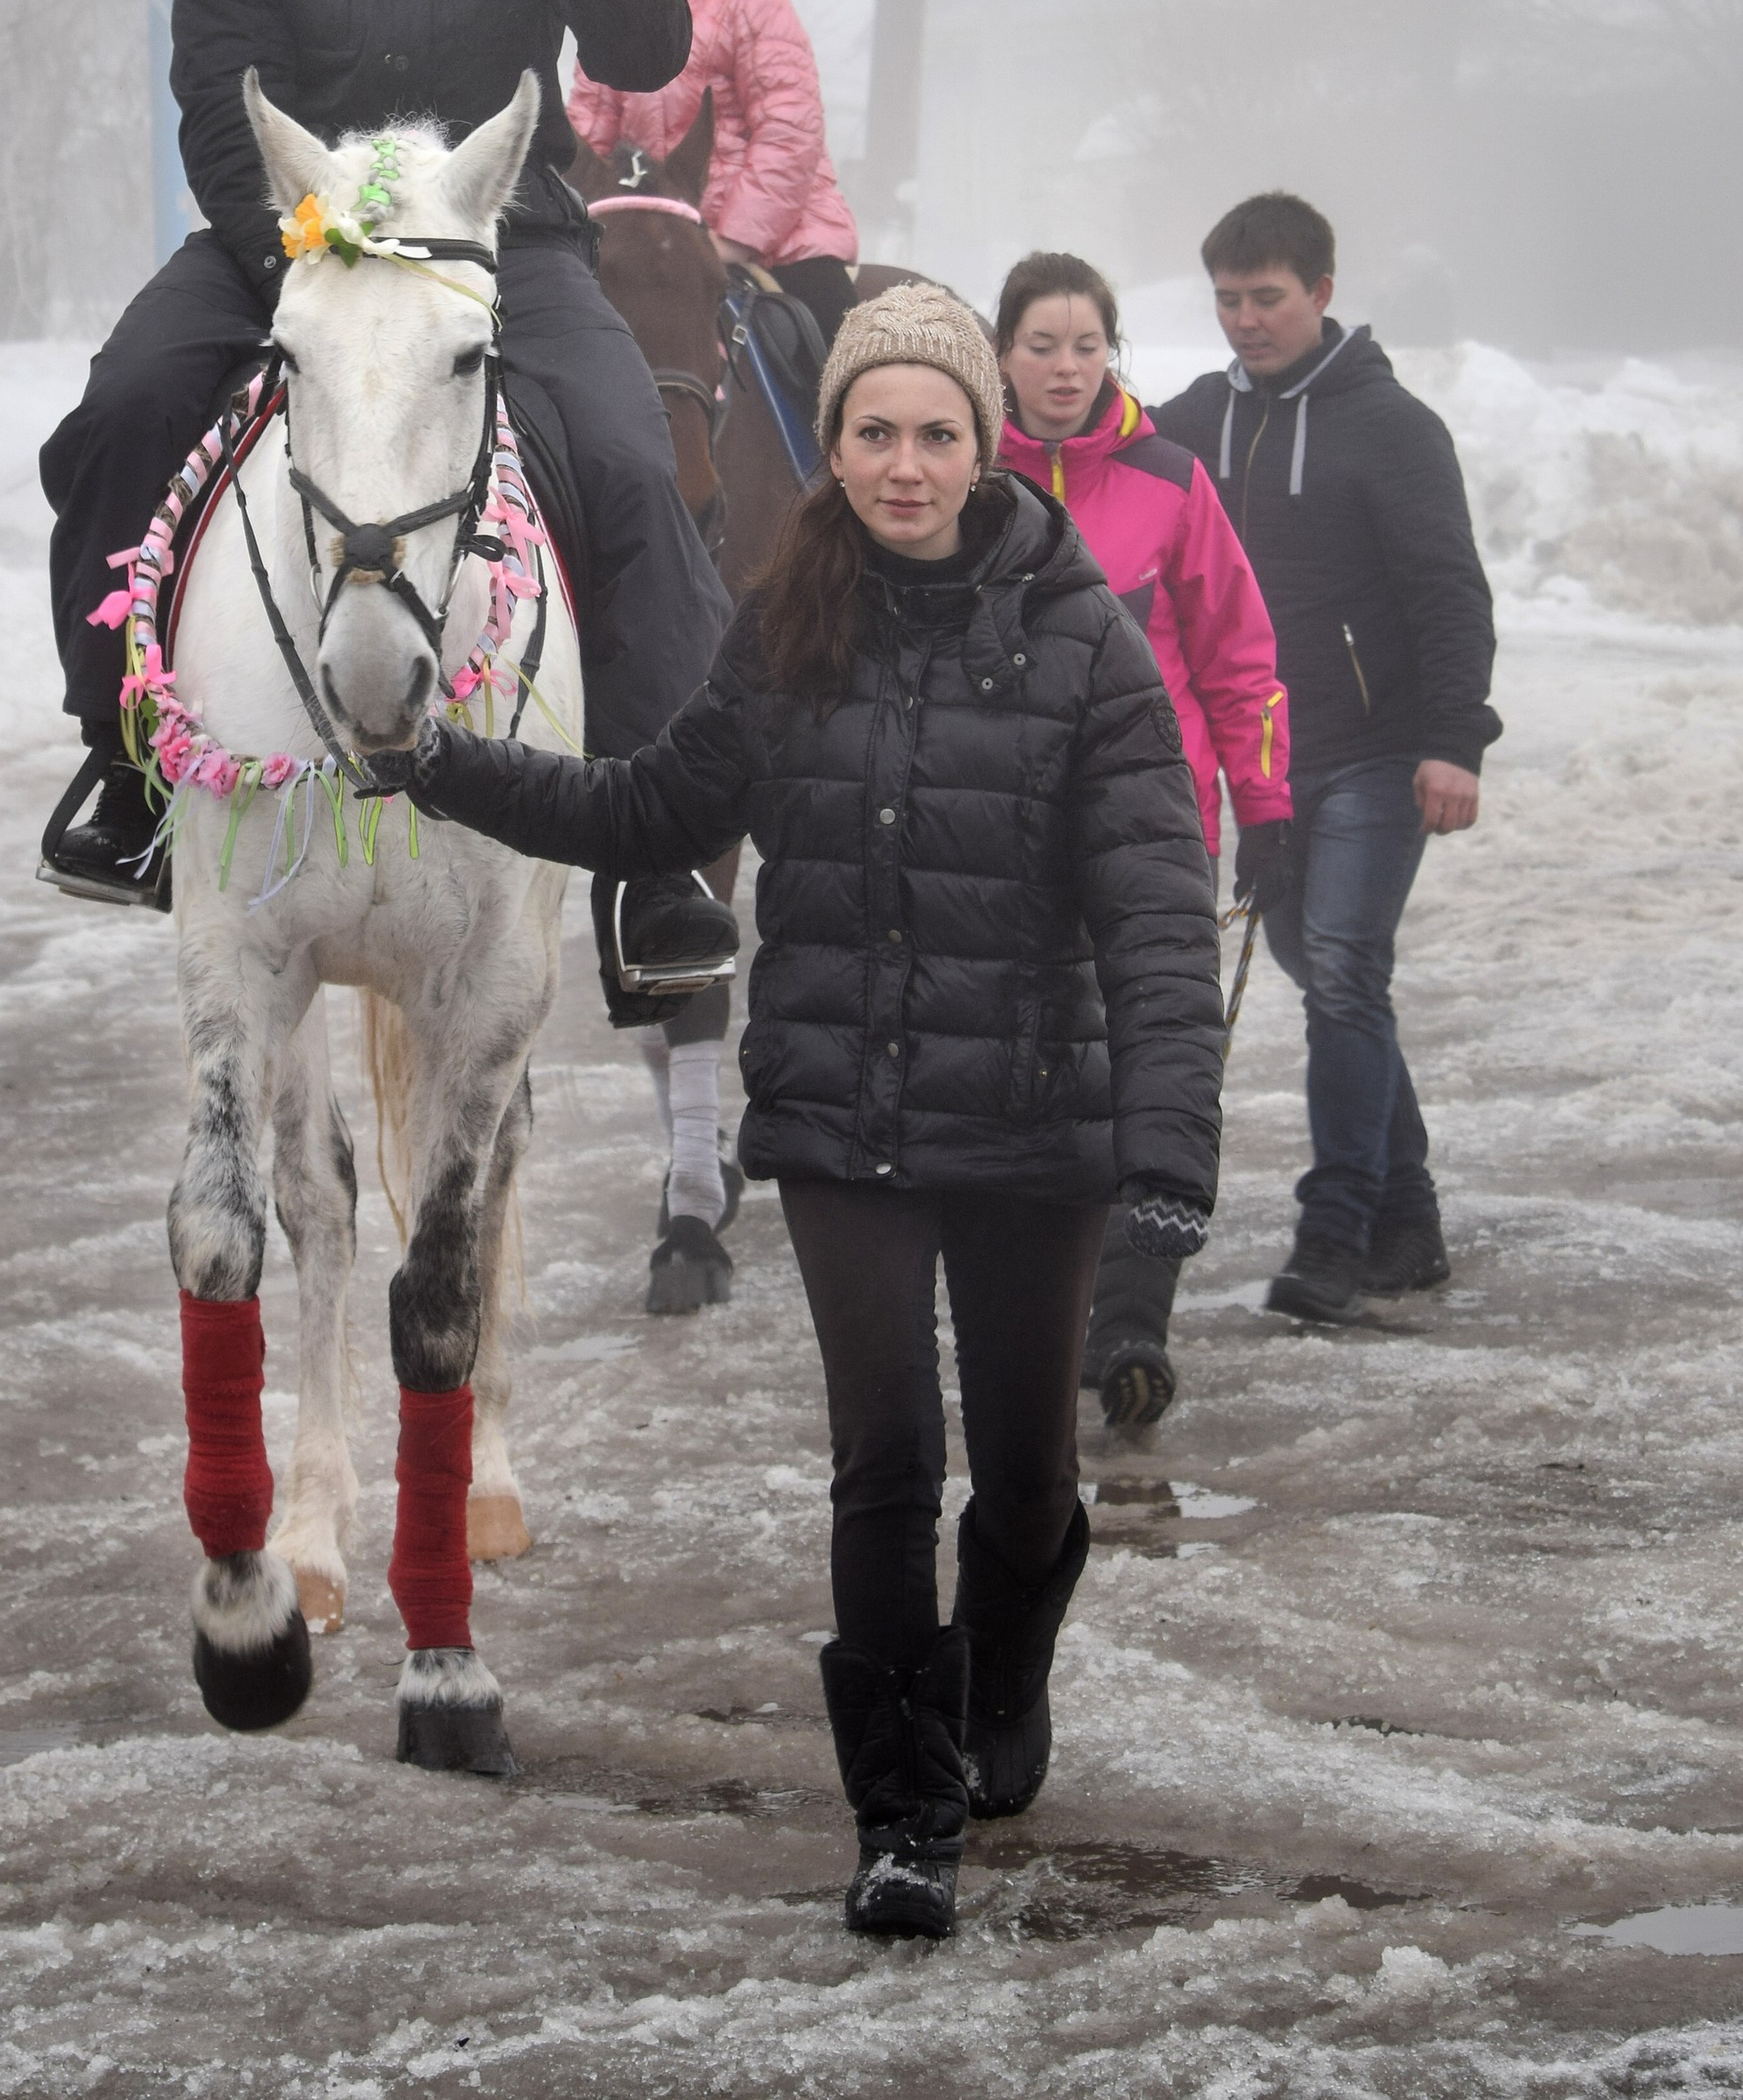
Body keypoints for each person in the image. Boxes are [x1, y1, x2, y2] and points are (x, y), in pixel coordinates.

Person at [385, 283, 1225, 1938]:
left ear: (987, 447)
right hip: (847, 1111)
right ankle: (902, 1812)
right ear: (830, 445)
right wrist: (442, 758)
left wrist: (1170, 1147)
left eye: (936, 433)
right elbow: (655, 803)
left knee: (1032, 1474)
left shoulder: (1085, 640)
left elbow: (1154, 911)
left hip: (1035, 1118)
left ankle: (1003, 1662)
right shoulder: (784, 625)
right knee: (887, 1456)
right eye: (871, 432)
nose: (903, 465)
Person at [37, 0, 737, 1048]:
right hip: (286, 231)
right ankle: (124, 767)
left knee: (626, 463)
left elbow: (646, 49)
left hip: (504, 238)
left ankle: (656, 855)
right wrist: (308, 242)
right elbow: (215, 87)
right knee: (123, 412)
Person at [1154, 192, 1500, 1327]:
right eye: (1227, 300)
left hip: (1373, 752)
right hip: (1260, 761)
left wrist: (1454, 742)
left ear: (1322, 294)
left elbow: (1450, 594)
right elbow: (1095, 453)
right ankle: (1409, 1219)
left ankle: (1338, 1229)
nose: (1245, 321)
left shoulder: (1390, 428)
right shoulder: (1199, 418)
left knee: (1346, 970)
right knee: (1332, 976)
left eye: (1267, 298)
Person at [995, 249, 1289, 1427]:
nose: (1067, 369)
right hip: (1004, 828)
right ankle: (1048, 1302)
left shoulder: (1171, 479)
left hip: (1155, 823)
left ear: (1112, 351)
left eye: (1086, 344)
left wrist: (1265, 807)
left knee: (1152, 1058)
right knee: (1036, 1065)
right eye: (1042, 345)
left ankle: (1130, 1326)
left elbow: (1241, 654)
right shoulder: (963, 478)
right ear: (1001, 353)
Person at [567, 0, 860, 353]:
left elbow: (789, 130)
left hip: (779, 235)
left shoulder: (754, 2)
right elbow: (587, 132)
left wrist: (735, 239)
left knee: (841, 354)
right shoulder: (619, 15)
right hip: (654, 227)